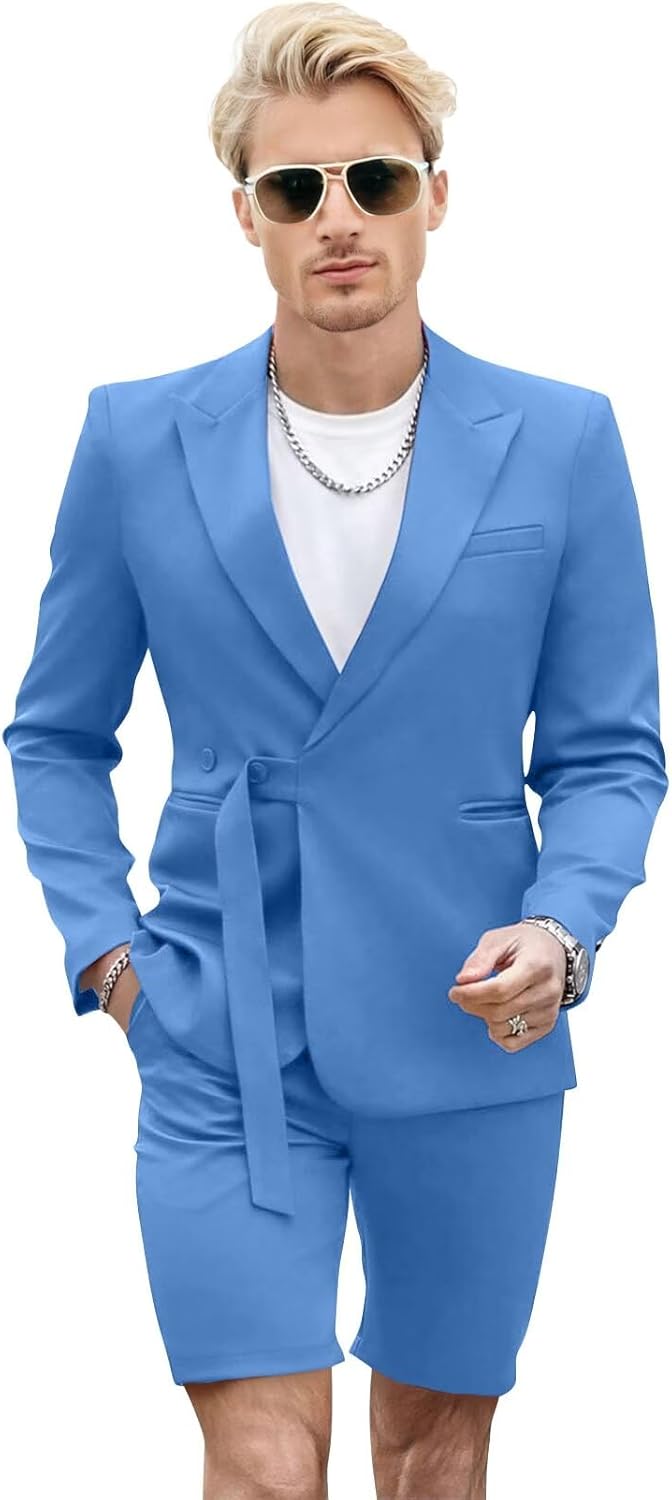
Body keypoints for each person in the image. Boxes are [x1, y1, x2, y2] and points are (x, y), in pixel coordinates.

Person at [3, 5, 667, 1497]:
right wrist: (111, 959)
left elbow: (611, 750)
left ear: (437, 195)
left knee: (436, 1459)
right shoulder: (135, 440)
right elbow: (56, 732)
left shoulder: (562, 440)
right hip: (220, 1020)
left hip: (473, 1012)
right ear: (245, 214)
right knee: (261, 1464)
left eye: (375, 179)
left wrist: (567, 930)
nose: (339, 217)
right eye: (296, 188)